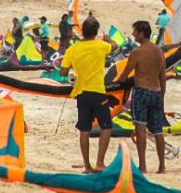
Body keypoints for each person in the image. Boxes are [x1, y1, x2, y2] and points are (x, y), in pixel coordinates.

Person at [59, 17, 118, 173]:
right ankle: (100, 162)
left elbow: (63, 72)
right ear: (96, 32)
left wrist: (72, 65)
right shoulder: (101, 46)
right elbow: (116, 46)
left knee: (84, 130)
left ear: (82, 32)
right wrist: (108, 38)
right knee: (106, 127)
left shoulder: (72, 49)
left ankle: (87, 166)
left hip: (81, 93)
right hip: (98, 92)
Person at [119, 20, 168, 174]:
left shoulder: (137, 52)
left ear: (141, 33)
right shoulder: (159, 51)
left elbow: (123, 76)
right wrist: (162, 97)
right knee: (158, 131)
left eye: (134, 31)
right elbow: (162, 77)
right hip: (157, 93)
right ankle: (162, 166)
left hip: (141, 92)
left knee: (140, 129)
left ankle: (143, 166)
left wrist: (126, 81)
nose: (133, 34)